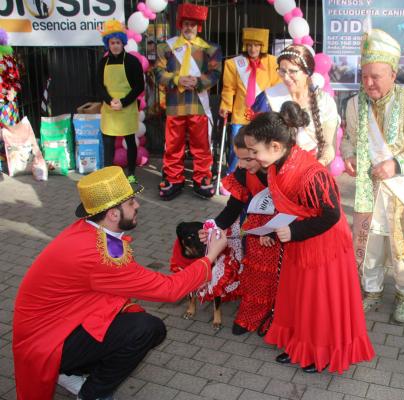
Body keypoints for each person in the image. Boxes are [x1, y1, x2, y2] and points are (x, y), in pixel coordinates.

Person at [12, 166, 228, 400]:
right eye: (131, 202)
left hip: (54, 323)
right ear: (113, 214)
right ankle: (92, 392)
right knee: (147, 329)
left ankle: (70, 370)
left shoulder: (89, 231)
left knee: (128, 313)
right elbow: (169, 289)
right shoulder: (99, 254)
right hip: (47, 340)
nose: (138, 205)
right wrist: (210, 257)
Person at [243, 101, 374, 374]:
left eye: (255, 151)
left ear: (276, 147)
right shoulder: (278, 164)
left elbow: (331, 216)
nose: (252, 157)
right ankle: (299, 346)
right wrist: (273, 231)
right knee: (300, 299)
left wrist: (293, 232)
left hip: (324, 245)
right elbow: (288, 204)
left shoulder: (311, 174)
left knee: (319, 303)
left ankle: (321, 353)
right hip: (300, 241)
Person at [341, 29, 404, 324]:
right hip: (368, 191)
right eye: (365, 76)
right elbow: (348, 137)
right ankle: (371, 291)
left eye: (376, 76)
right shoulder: (353, 104)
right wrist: (348, 153)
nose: (369, 83)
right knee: (370, 247)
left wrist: (397, 164)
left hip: (403, 192)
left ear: (393, 74)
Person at [211, 132, 281, 335]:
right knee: (253, 273)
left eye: (247, 159)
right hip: (256, 230)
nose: (240, 164)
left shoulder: (280, 171)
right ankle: (250, 315)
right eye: (238, 158)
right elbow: (233, 206)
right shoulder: (244, 173)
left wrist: (274, 232)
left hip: (283, 230)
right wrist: (214, 226)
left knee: (279, 277)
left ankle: (275, 317)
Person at [155, 3, 222, 200]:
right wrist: (176, 79)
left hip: (198, 105)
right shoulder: (165, 47)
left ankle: (202, 177)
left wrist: (199, 81)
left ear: (198, 27)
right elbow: (158, 72)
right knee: (173, 145)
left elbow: (216, 73)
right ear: (180, 25)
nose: (188, 28)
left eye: (192, 24)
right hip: (175, 104)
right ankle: (174, 178)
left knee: (201, 145)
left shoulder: (210, 49)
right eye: (185, 23)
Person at [252, 44, 339, 166]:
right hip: (275, 170)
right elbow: (256, 140)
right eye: (282, 71)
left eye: (292, 71)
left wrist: (316, 167)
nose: (286, 77)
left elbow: (329, 145)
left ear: (307, 72)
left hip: (312, 168)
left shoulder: (325, 102)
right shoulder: (268, 98)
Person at [219, 27, 280, 174]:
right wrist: (225, 106)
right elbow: (228, 88)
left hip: (262, 113)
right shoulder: (233, 64)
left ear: (262, 46)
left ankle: (257, 176)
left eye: (257, 45)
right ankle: (232, 174)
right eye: (250, 45)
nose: (253, 49)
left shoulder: (272, 62)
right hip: (240, 112)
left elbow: (276, 87)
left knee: (261, 147)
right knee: (237, 145)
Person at [98, 20, 145, 183]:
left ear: (123, 42)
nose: (115, 46)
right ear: (108, 43)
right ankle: (109, 174)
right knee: (108, 142)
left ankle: (131, 172)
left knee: (130, 141)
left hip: (127, 106)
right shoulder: (103, 62)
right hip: (109, 107)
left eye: (118, 42)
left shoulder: (132, 62)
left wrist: (124, 102)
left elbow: (139, 86)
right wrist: (110, 100)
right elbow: (98, 86)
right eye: (112, 43)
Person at [0, 28, 21, 128]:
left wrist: (13, 92)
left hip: (6, 104)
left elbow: (16, 81)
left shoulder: (8, 59)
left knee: (8, 135)